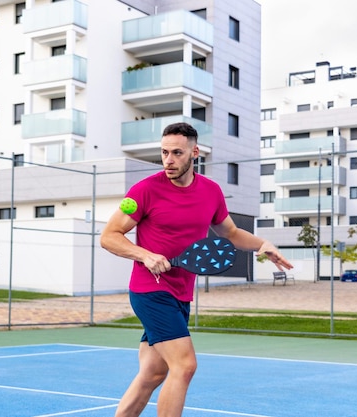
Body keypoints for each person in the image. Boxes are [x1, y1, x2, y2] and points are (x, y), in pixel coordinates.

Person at [100, 122, 293, 417]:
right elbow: (109, 236)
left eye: (177, 152)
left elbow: (230, 232)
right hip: (150, 291)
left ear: (195, 152)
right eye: (164, 152)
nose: (169, 159)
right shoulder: (144, 191)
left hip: (181, 294)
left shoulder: (211, 191)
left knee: (152, 374)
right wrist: (145, 255)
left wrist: (262, 244)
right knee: (185, 365)